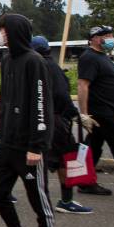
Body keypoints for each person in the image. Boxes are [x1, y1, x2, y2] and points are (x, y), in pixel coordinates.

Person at [0, 14, 55, 227]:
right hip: (7, 143)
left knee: (39, 202)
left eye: (2, 29)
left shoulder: (34, 62)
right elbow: (5, 101)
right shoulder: (7, 61)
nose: (0, 34)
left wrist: (37, 146)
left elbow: (41, 105)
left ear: (14, 31)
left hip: (29, 145)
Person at [31, 35, 93, 214]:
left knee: (35, 157)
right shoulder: (50, 67)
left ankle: (5, 190)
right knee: (66, 159)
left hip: (43, 119)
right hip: (56, 120)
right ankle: (66, 200)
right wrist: (75, 114)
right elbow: (60, 95)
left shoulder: (38, 67)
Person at [76, 25, 114, 195]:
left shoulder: (104, 56)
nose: (110, 38)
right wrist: (84, 114)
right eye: (105, 35)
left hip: (111, 109)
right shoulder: (89, 57)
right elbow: (83, 85)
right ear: (94, 39)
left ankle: (83, 181)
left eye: (111, 35)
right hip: (101, 111)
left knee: (93, 147)